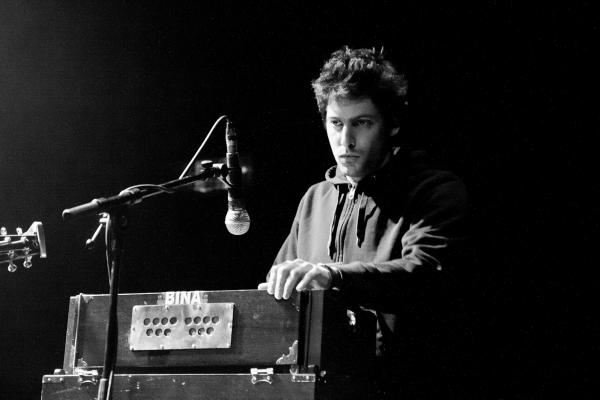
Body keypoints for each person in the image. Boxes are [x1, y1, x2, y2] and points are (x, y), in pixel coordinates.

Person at [259, 46, 473, 398]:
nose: (346, 141)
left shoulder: (435, 190)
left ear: (393, 124)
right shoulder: (314, 199)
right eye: (336, 124)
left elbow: (425, 274)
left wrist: (334, 276)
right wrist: (275, 288)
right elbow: (282, 286)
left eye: (361, 123)